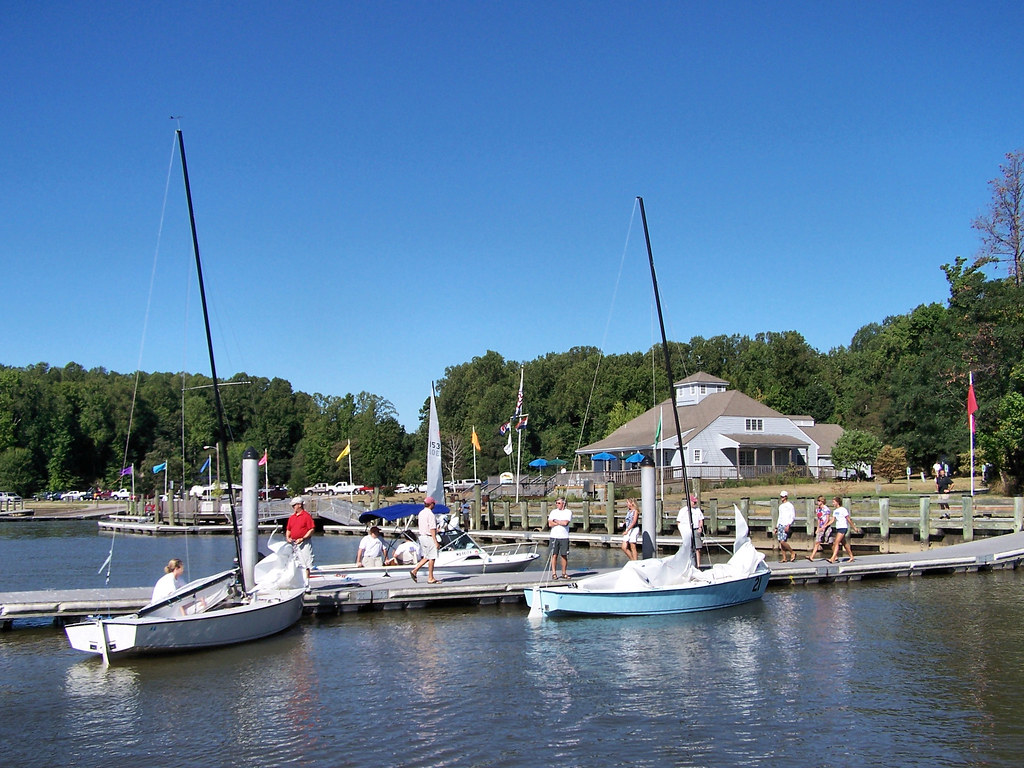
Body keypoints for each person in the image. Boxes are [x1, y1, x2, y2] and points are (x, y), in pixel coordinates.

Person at [410, 496, 441, 583]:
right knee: (432, 557)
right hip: (429, 537)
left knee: (427, 556)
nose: (434, 505)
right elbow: (432, 528)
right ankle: (430, 578)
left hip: (422, 536)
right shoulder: (430, 514)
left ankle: (415, 571)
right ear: (431, 504)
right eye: (434, 503)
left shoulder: (421, 513)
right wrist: (436, 542)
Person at [286, 496, 316, 579]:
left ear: (299, 505)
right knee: (295, 562)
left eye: (294, 505)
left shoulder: (306, 516)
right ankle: (298, 581)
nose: (293, 507)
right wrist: (288, 537)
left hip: (304, 543)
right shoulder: (292, 517)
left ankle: (307, 583)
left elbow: (311, 529)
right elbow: (288, 529)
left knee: (306, 563)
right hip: (294, 543)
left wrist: (302, 538)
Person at [676, 494, 705, 567]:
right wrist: (682, 532)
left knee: (697, 548)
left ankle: (698, 565)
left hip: (695, 530)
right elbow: (678, 522)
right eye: (693, 502)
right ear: (689, 501)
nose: (695, 503)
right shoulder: (683, 510)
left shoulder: (697, 510)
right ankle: (687, 565)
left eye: (696, 502)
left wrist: (700, 527)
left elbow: (701, 520)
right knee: (688, 548)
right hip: (687, 530)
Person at [826, 495, 856, 563]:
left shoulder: (843, 509)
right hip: (838, 528)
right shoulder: (835, 511)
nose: (833, 503)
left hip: (843, 528)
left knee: (836, 543)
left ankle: (833, 558)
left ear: (837, 502)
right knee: (844, 544)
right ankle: (851, 557)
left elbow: (848, 519)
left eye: (834, 502)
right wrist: (825, 525)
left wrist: (854, 527)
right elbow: (832, 520)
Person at [547, 497, 571, 579]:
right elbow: (550, 524)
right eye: (556, 503)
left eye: (559, 503)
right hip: (554, 536)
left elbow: (565, 523)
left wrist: (556, 521)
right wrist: (559, 522)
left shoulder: (568, 512)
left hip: (564, 537)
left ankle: (564, 573)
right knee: (554, 555)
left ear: (563, 503)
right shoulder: (553, 512)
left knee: (564, 555)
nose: (557, 504)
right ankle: (554, 573)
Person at [806, 496, 833, 561]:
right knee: (817, 541)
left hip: (826, 527)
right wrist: (818, 528)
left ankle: (835, 555)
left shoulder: (826, 509)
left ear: (822, 501)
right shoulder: (818, 509)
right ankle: (812, 556)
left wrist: (824, 526)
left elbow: (827, 519)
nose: (817, 502)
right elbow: (819, 519)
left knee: (830, 542)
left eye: (819, 501)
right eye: (817, 501)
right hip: (820, 527)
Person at [776, 490, 797, 562]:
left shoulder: (790, 505)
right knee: (781, 542)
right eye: (781, 496)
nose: (782, 498)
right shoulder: (781, 506)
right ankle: (784, 558)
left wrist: (789, 524)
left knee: (783, 541)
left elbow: (793, 516)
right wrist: (777, 526)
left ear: (786, 497)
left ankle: (792, 552)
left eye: (783, 496)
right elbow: (780, 516)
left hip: (786, 524)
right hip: (780, 524)